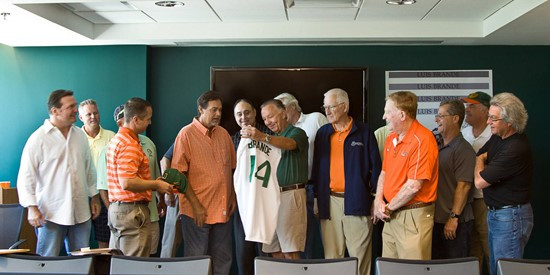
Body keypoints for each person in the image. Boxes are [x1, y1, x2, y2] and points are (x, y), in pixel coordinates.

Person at [17, 89, 100, 256]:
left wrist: (95, 197)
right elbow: (26, 177)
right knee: (47, 262)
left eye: (75, 106)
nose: (76, 110)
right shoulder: (37, 139)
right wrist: (32, 208)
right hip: (50, 214)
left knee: (81, 263)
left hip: (81, 212)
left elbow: (89, 168)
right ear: (55, 111)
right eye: (71, 107)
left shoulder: (80, 136)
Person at [311, 88, 381, 275]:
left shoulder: (364, 131)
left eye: (331, 107)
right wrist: (317, 198)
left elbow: (376, 168)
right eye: (325, 107)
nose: (327, 111)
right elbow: (317, 169)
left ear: (344, 106)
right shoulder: (323, 133)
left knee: (359, 259)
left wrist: (376, 198)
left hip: (357, 201)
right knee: (332, 260)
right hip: (329, 202)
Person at [172, 91, 235, 275]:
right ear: (201, 109)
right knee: (196, 261)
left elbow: (231, 170)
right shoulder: (186, 135)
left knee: (223, 260)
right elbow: (178, 177)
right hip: (196, 212)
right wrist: (195, 205)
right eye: (213, 110)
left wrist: (232, 198)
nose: (218, 114)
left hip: (222, 210)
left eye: (220, 110)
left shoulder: (224, 134)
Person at [373, 91, 439, 260]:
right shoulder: (391, 138)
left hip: (412, 216)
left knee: (411, 270)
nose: (384, 116)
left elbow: (414, 186)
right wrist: (378, 200)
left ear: (402, 114)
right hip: (391, 214)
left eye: (388, 112)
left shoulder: (423, 139)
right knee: (389, 268)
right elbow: (384, 172)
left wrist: (387, 207)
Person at [240, 99, 308, 260]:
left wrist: (263, 137)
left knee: (290, 251)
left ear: (284, 113)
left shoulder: (296, 132)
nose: (268, 122)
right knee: (274, 251)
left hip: (290, 195)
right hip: (271, 197)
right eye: (264, 119)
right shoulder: (269, 138)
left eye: (270, 116)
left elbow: (290, 144)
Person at [474, 92, 533, 275]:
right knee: (496, 269)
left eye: (493, 118)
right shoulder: (498, 136)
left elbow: (479, 182)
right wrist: (481, 161)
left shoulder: (514, 148)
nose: (488, 122)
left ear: (509, 121)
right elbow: (480, 154)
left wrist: (481, 163)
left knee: (506, 271)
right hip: (499, 215)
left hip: (510, 217)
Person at [106, 97, 173, 257]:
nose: (150, 123)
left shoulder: (116, 140)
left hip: (117, 209)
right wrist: (156, 185)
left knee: (120, 265)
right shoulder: (129, 144)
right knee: (134, 266)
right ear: (135, 119)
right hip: (131, 212)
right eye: (148, 119)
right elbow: (127, 182)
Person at [275, 92, 328, 258]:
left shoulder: (315, 119)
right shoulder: (278, 133)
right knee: (299, 243)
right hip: (290, 191)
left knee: (326, 240)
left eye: (281, 109)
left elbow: (331, 151)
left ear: (292, 106)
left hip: (317, 187)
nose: (279, 115)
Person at [231, 99, 272, 275]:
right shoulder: (232, 140)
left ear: (255, 112)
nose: (243, 117)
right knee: (243, 257)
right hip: (243, 207)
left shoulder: (270, 134)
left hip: (266, 206)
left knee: (267, 258)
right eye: (239, 114)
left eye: (247, 112)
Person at [432, 100, 475, 259]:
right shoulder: (437, 146)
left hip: (456, 223)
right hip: (437, 221)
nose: (436, 119)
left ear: (455, 119)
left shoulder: (463, 150)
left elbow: (463, 187)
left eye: (441, 116)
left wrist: (453, 218)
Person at [461, 91, 492, 273]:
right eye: (466, 105)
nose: (467, 109)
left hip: (484, 199)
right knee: (472, 247)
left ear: (486, 110)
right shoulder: (463, 133)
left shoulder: (494, 134)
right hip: (466, 199)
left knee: (487, 243)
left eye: (472, 106)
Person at [78, 99, 115, 249]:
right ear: (81, 118)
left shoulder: (111, 137)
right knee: (80, 242)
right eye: (88, 114)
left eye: (95, 113)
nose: (93, 117)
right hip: (81, 195)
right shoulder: (75, 138)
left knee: (104, 241)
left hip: (104, 195)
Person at [159, 144, 183, 258]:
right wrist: (169, 190)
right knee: (170, 241)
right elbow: (164, 160)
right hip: (179, 192)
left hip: (203, 194)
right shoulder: (186, 133)